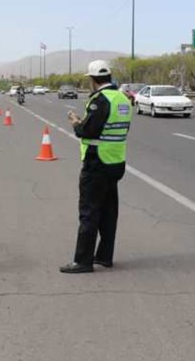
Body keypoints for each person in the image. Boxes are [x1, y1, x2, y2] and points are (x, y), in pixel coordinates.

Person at [60, 60, 132, 274]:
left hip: (97, 162)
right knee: (109, 211)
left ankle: (82, 261)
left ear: (92, 80)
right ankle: (104, 256)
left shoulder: (100, 100)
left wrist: (75, 121)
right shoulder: (122, 98)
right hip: (116, 161)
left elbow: (87, 131)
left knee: (89, 211)